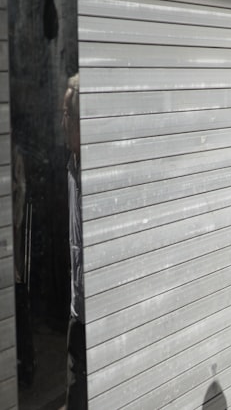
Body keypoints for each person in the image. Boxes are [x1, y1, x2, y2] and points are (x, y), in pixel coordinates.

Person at [62, 73, 87, 408]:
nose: (61, 122)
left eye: (66, 114)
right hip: (77, 306)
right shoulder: (70, 166)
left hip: (100, 312)